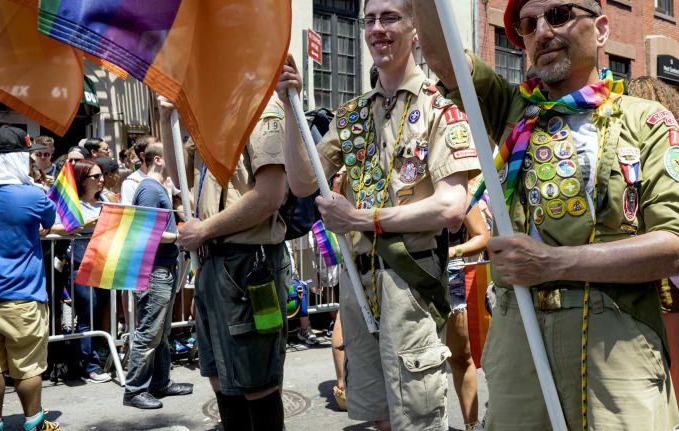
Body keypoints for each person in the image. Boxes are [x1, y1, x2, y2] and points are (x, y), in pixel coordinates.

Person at [413, 0, 679, 429]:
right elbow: (442, 56)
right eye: (528, 25)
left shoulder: (648, 121)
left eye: (558, 15)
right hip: (521, 333)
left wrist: (552, 262)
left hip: (617, 340)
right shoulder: (513, 111)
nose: (542, 32)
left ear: (602, 29)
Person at [278, 0, 481, 427]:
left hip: (408, 284)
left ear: (414, 29)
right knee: (378, 417)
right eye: (369, 20)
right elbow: (300, 183)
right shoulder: (352, 117)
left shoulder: (439, 108)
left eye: (389, 18)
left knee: (418, 419)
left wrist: (361, 219)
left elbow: (451, 207)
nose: (376, 29)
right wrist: (291, 110)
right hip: (357, 284)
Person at [160, 93, 290, 431]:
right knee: (221, 376)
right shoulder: (213, 110)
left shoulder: (259, 104)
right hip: (213, 261)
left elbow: (271, 194)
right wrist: (165, 117)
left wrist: (203, 229)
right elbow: (179, 175)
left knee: (255, 380)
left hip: (248, 264)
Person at [627, 75, 679, 427]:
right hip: (671, 264)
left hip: (654, 258)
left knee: (657, 352)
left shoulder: (644, 134)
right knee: (676, 350)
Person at [0, 127, 59, 431]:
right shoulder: (32, 195)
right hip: (22, 296)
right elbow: (50, 221)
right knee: (28, 366)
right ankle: (35, 423)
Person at [123, 143, 193, 409]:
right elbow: (144, 230)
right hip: (155, 271)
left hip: (163, 268)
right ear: (158, 160)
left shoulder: (155, 187)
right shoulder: (149, 189)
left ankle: (160, 383)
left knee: (160, 332)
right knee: (149, 332)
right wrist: (179, 237)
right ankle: (134, 391)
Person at [48, 159, 111, 384]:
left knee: (98, 313)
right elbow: (49, 228)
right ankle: (89, 365)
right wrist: (82, 225)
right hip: (79, 266)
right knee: (87, 315)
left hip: (104, 265)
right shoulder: (69, 204)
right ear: (82, 180)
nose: (101, 179)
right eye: (95, 176)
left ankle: (89, 359)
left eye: (102, 175)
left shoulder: (106, 202)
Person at [445, 203, 489, 431]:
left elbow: (482, 237)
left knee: (459, 356)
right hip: (405, 278)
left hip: (449, 276)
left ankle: (471, 425)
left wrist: (452, 252)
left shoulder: (459, 192)